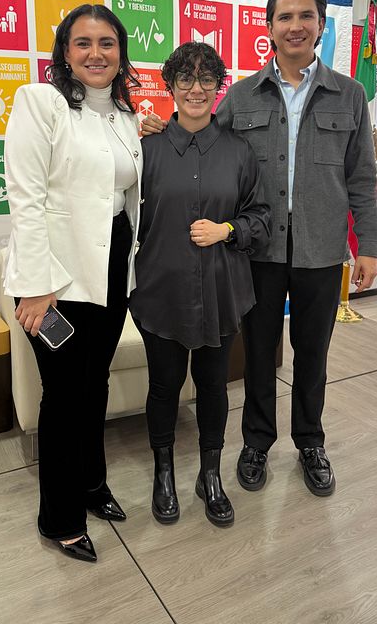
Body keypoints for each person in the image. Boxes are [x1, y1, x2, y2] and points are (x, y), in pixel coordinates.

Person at [142, 0, 377, 498]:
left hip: (321, 251)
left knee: (313, 353)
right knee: (257, 354)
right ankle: (255, 443)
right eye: (284, 17)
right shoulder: (244, 94)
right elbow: (202, 136)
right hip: (259, 252)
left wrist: (369, 244)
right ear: (269, 27)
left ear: (320, 25)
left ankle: (310, 442)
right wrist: (157, 132)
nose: (295, 26)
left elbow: (362, 176)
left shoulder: (351, 94)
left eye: (305, 17)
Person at [3, 4, 142, 562]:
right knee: (62, 398)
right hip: (54, 280)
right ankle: (58, 517)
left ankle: (91, 484)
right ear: (64, 52)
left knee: (95, 384)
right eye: (82, 43)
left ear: (121, 53)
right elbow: (25, 197)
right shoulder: (42, 103)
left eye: (106, 43)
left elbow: (125, 193)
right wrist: (37, 286)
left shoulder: (126, 117)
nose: (95, 53)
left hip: (108, 271)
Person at [130, 42, 270, 527]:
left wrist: (227, 230)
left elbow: (261, 217)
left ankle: (210, 474)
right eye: (185, 79)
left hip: (222, 290)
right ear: (169, 86)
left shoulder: (238, 151)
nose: (195, 88)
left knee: (213, 387)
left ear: (219, 87)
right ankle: (163, 472)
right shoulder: (143, 149)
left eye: (206, 78)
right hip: (159, 292)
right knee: (164, 386)